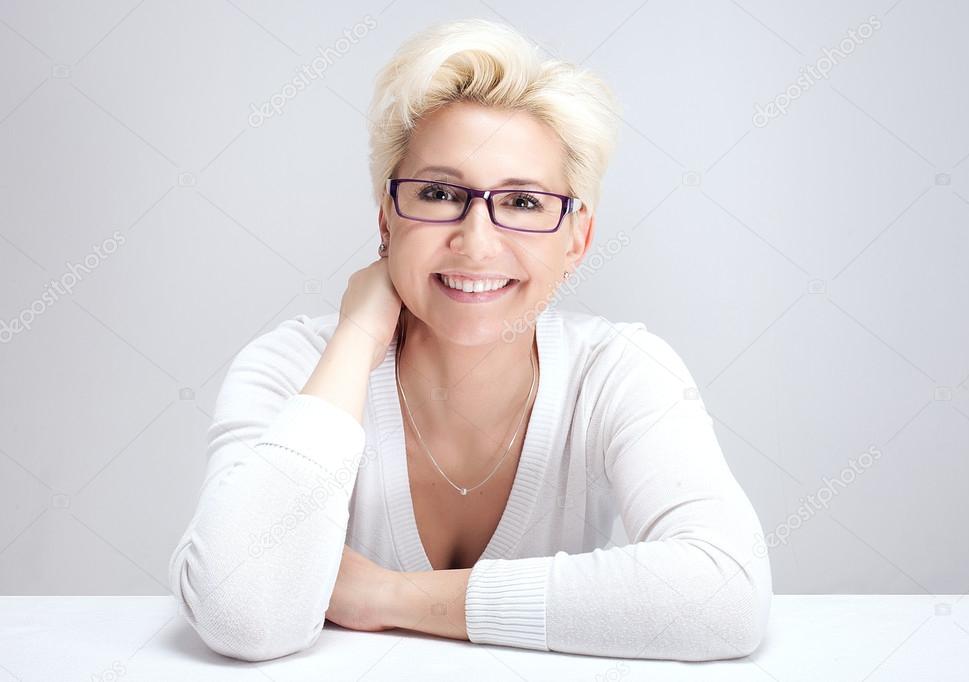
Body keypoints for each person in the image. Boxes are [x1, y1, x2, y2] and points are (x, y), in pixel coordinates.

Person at [168, 17, 772, 663]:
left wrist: (390, 597)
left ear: (577, 239)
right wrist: (357, 335)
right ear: (386, 217)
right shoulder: (289, 368)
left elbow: (724, 599)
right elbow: (242, 615)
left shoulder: (618, 372)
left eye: (523, 203)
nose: (476, 242)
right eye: (436, 193)